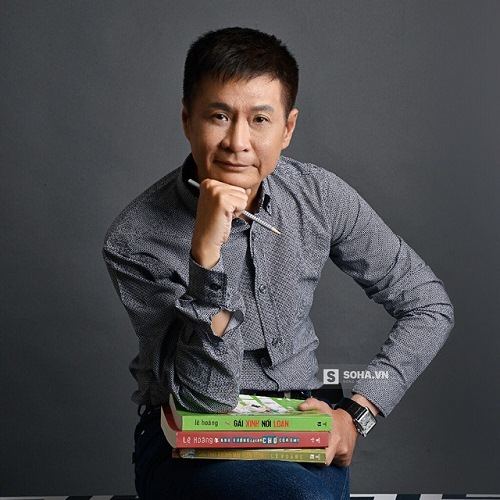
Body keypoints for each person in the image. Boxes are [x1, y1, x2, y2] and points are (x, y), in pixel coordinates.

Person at [103, 27, 454, 500]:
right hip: (186, 440)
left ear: (287, 129)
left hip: (301, 432)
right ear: (187, 119)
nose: (237, 142)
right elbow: (205, 398)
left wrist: (358, 413)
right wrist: (206, 258)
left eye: (260, 119)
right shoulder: (135, 239)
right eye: (219, 116)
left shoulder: (318, 196)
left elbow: (428, 305)